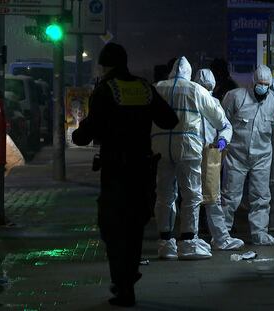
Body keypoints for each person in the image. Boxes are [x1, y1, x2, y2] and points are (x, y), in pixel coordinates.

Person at [72, 43, 178, 307]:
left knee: (112, 227)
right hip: (142, 171)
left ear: (105, 65)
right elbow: (169, 120)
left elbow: (86, 133)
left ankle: (123, 284)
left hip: (116, 171)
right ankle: (128, 277)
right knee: (134, 227)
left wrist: (82, 132)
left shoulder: (105, 90)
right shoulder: (143, 88)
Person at [152, 56, 228, 260]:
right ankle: (187, 242)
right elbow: (221, 121)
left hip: (160, 148)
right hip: (188, 149)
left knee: (165, 195)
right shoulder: (195, 90)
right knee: (192, 195)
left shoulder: (157, 88)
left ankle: (166, 243)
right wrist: (223, 137)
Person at [221, 64, 274, 245]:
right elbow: (223, 120)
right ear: (253, 82)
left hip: (262, 156)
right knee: (230, 195)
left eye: (266, 84)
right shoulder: (235, 97)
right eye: (260, 83)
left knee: (261, 196)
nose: (262, 86)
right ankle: (223, 233)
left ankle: (260, 233)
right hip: (236, 155)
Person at [194, 68, 244, 250]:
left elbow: (225, 126)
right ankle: (214, 238)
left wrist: (223, 139)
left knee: (202, 198)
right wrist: (222, 139)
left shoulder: (209, 102)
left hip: (202, 153)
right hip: (203, 153)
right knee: (208, 198)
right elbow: (224, 125)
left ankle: (192, 238)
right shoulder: (208, 102)